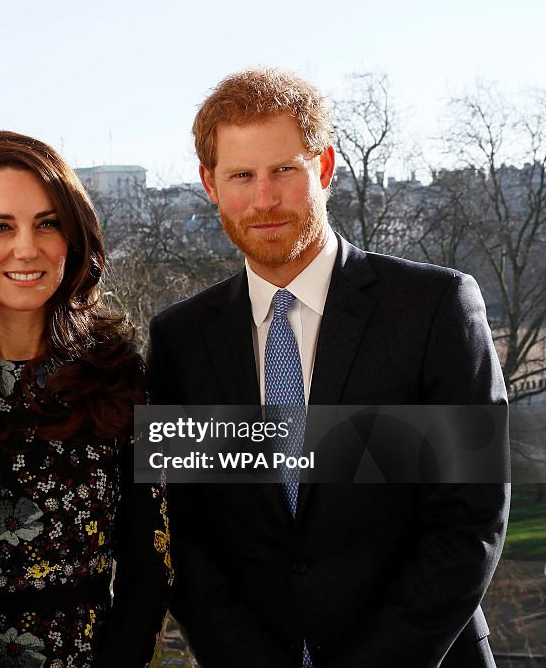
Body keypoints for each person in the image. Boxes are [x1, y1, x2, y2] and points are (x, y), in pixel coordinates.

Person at [149, 68, 509, 668]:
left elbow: (468, 521)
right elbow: (186, 537)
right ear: (210, 184)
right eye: (241, 175)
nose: (263, 199)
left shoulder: (434, 307)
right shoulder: (180, 339)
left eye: (284, 170)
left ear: (323, 168)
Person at [0, 130, 171, 667]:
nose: (27, 248)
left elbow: (150, 556)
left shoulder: (120, 373)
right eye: (0, 227)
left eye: (47, 223)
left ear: (73, 237)